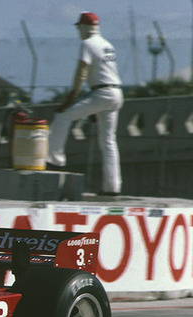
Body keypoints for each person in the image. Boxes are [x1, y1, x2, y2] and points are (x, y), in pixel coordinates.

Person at [47, 11, 123, 196]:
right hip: (116, 94)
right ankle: (112, 187)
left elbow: (81, 71)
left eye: (78, 27)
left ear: (83, 27)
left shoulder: (87, 44)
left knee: (62, 116)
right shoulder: (107, 45)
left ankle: (54, 160)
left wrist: (71, 97)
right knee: (108, 141)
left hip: (102, 93)